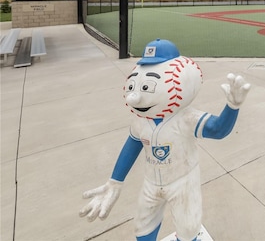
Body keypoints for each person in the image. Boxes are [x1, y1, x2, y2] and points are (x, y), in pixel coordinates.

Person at [80, 39, 250, 241]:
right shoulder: (140, 121)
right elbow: (132, 145)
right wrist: (115, 182)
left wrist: (232, 108)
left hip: (183, 181)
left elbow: (217, 129)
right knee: (142, 230)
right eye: (135, 86)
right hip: (151, 183)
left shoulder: (186, 118)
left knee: (188, 232)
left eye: (147, 87)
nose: (134, 98)